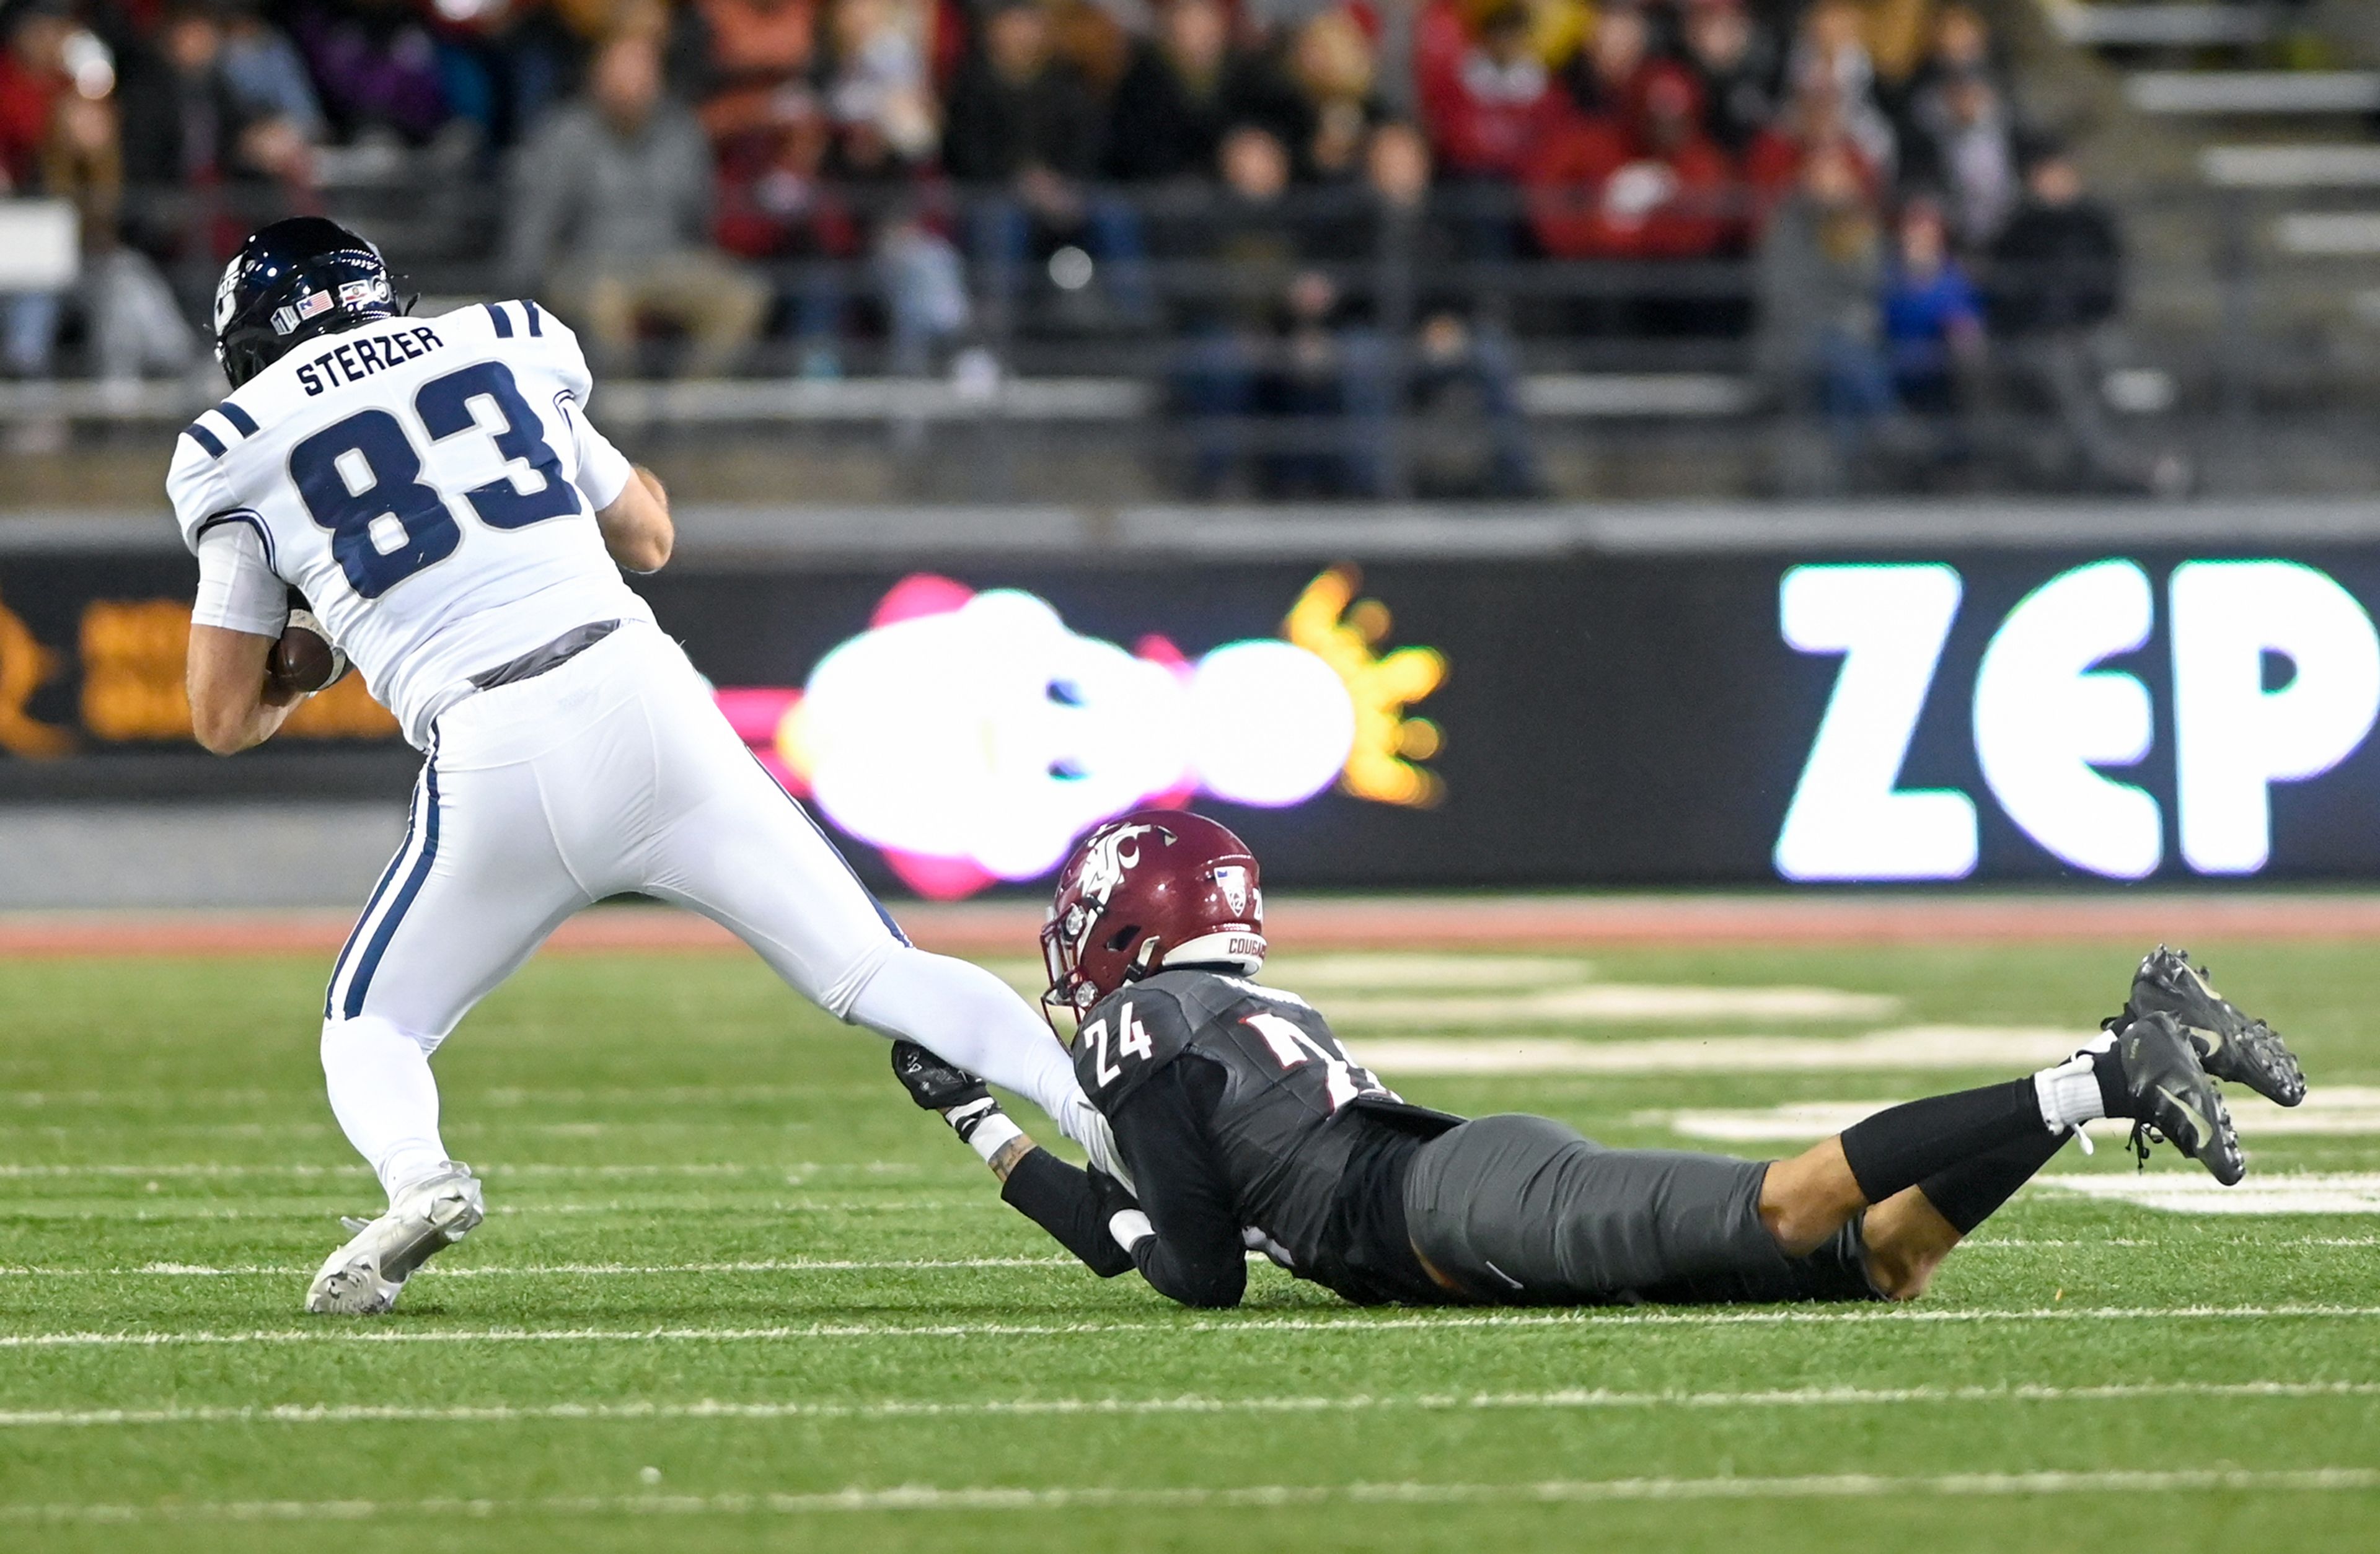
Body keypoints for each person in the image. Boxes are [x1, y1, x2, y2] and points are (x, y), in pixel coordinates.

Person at [171, 216, 1124, 1314]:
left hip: (493, 746)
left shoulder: (230, 445)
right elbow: (651, 536)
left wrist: (323, 643)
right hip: (644, 695)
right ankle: (1094, 1104)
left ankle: (421, 1176)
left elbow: (222, 715)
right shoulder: (507, 338)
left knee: (371, 1023)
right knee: (875, 971)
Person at [893, 810, 2305, 1309]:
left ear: (1132, 920)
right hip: (1450, 1185)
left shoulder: (1145, 1027)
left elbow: (1186, 1272)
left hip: (1443, 1205)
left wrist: (1042, 1128)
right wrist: (985, 1124)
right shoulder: (1224, 1020)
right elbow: (1142, 1229)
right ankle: (2111, 1042)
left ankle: (2108, 1075)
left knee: (1787, 1202)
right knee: (1880, 1256)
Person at [501, 30, 768, 378]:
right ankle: (623, 416)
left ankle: (691, 409)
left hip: (667, 260)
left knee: (744, 296)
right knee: (605, 305)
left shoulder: (682, 131)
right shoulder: (565, 135)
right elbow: (535, 224)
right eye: (621, 71)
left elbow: (701, 214)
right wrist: (520, 292)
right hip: (589, 264)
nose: (632, 84)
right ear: (598, 77)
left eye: (642, 71)